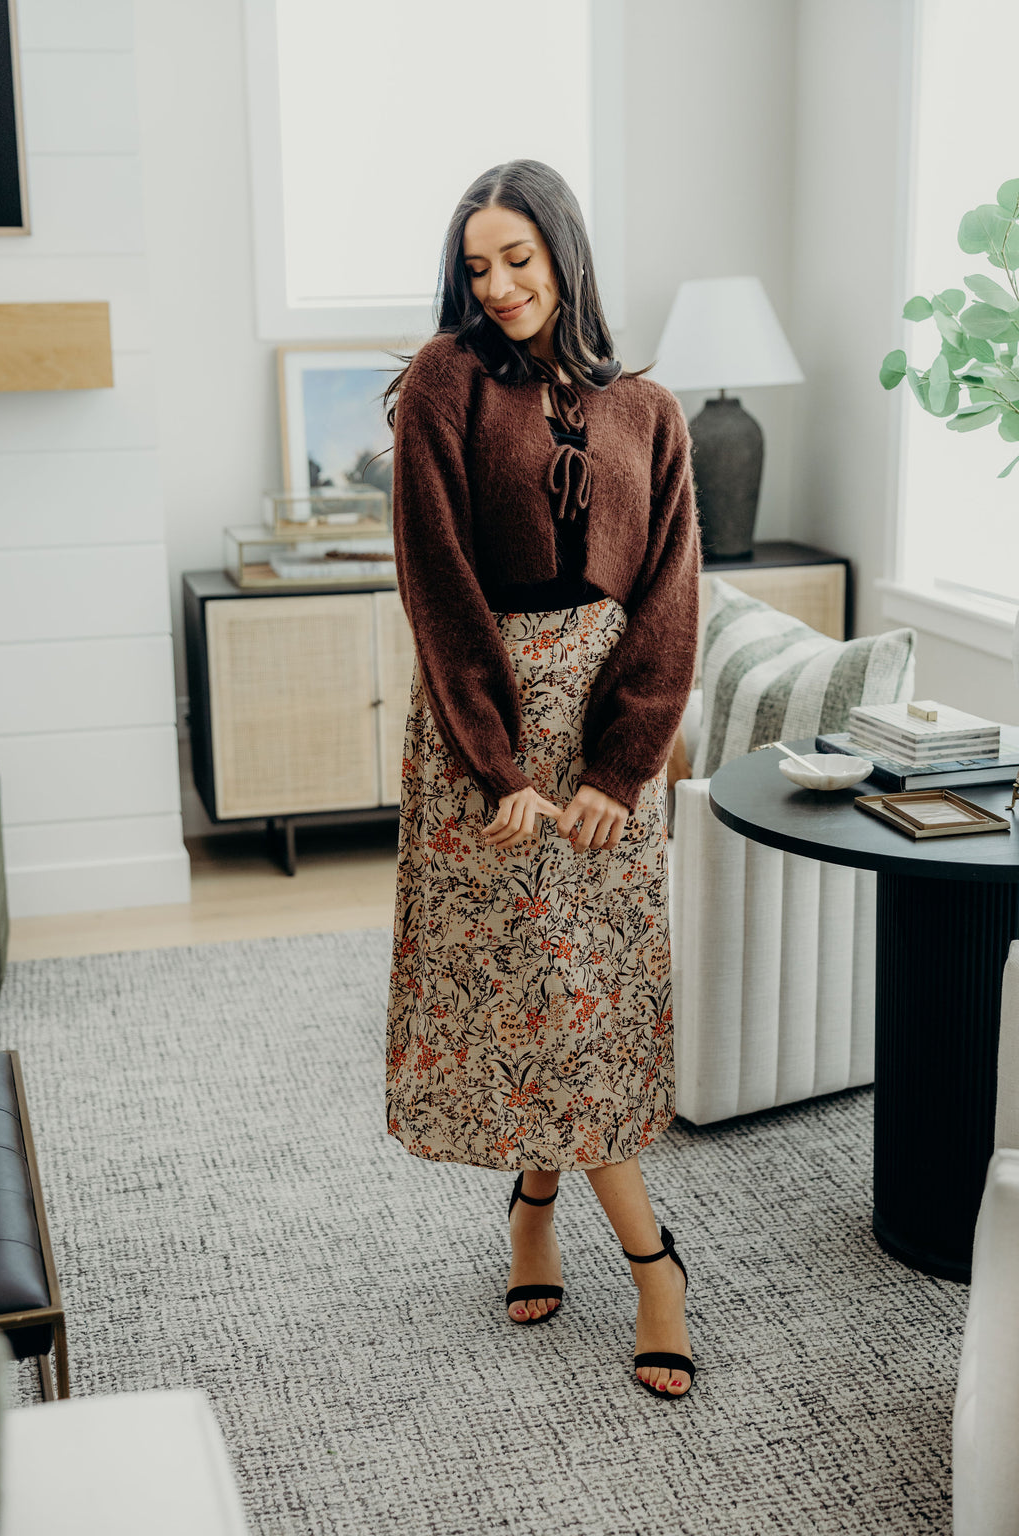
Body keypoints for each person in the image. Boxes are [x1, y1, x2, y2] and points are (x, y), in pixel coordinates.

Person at [380, 159, 701, 1399]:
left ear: (564, 254)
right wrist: (497, 764)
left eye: (518, 258)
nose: (499, 285)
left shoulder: (652, 410)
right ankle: (654, 1262)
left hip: (611, 742)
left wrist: (623, 768)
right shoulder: (443, 384)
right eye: (476, 266)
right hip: (487, 735)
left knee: (592, 1002)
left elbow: (669, 597)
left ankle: (536, 1200)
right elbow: (438, 585)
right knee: (534, 998)